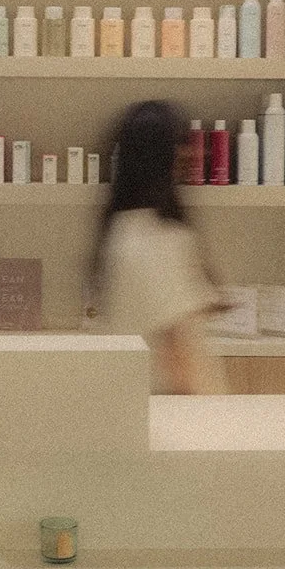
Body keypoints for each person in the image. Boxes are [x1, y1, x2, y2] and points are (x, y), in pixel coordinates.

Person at [89, 99, 226, 395]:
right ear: (162, 155)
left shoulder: (121, 228)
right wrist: (210, 413)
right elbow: (176, 353)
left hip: (137, 401)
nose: (195, 152)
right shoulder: (158, 237)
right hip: (174, 409)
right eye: (183, 143)